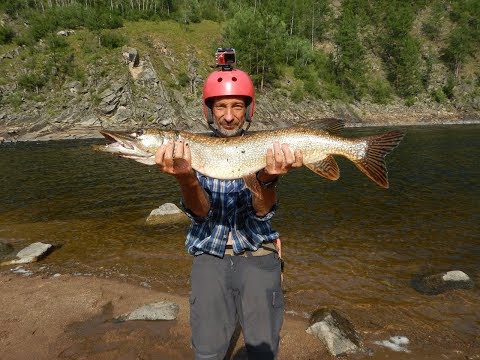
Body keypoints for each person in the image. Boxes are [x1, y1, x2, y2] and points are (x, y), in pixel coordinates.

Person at [155, 68, 303, 360]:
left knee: (263, 351)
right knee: (208, 352)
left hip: (258, 251)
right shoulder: (190, 150)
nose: (229, 116)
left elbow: (262, 213)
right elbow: (201, 214)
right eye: (221, 106)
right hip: (210, 252)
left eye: (237, 106)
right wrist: (186, 179)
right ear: (209, 111)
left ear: (248, 110)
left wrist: (268, 179)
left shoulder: (266, 149)